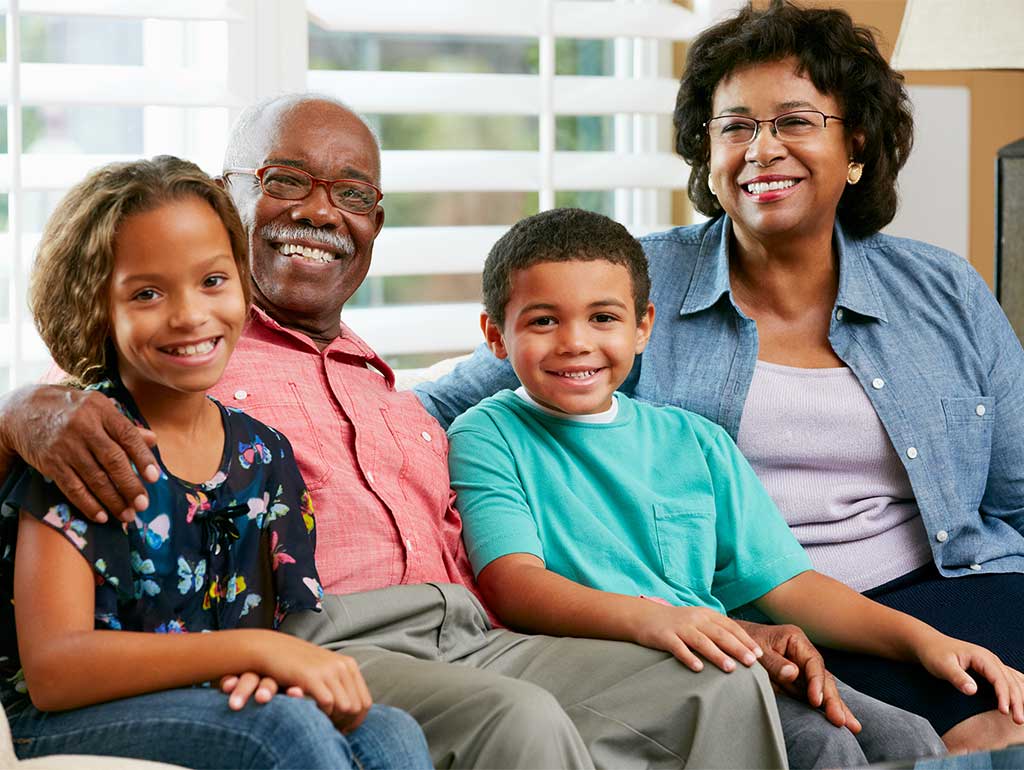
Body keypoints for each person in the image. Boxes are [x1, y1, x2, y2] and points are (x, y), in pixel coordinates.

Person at [0, 95, 806, 769]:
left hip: (475, 629)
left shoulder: (391, 391)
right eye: (287, 180)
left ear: (376, 225)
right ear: (226, 196)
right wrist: (16, 410)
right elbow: (78, 402)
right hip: (341, 635)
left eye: (351, 194)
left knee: (721, 687)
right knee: (515, 719)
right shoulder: (180, 361)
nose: (321, 209)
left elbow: (560, 350)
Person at [416, 0, 1024, 754]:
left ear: (857, 141)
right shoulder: (634, 283)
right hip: (774, 610)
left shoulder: (942, 289)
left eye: (795, 121)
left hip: (955, 584)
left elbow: (1015, 494)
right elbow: (441, 403)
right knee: (970, 734)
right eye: (736, 126)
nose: (762, 150)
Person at [449, 206, 1023, 766]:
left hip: (721, 654)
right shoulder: (487, 433)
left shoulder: (694, 440)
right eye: (543, 320)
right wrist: (660, 617)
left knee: (910, 739)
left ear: (644, 326)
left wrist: (924, 642)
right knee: (822, 745)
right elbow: (513, 583)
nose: (575, 342)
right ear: (496, 336)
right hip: (619, 664)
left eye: (603, 317)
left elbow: (790, 586)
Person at [0, 156, 432, 769]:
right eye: (147, 292)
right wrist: (250, 654)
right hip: (60, 718)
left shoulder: (263, 454)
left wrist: (258, 667)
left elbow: (259, 630)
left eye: (212, 281)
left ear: (243, 284)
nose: (190, 315)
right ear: (96, 307)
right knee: (281, 732)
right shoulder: (84, 444)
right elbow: (54, 671)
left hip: (202, 701)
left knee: (389, 733)